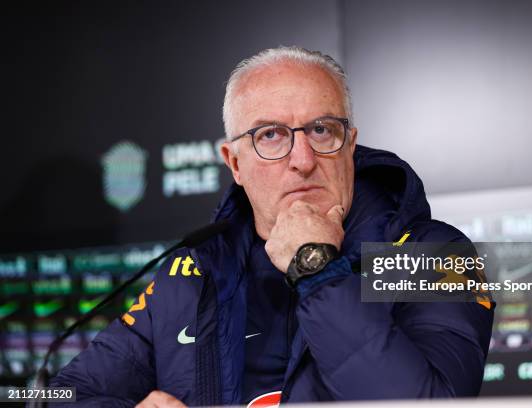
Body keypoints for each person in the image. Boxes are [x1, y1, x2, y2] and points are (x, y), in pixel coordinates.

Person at [51, 46, 494, 407]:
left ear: (350, 145)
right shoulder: (193, 274)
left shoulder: (432, 255)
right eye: (270, 136)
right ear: (234, 163)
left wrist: (316, 268)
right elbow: (47, 395)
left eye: (321, 130)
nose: (302, 161)